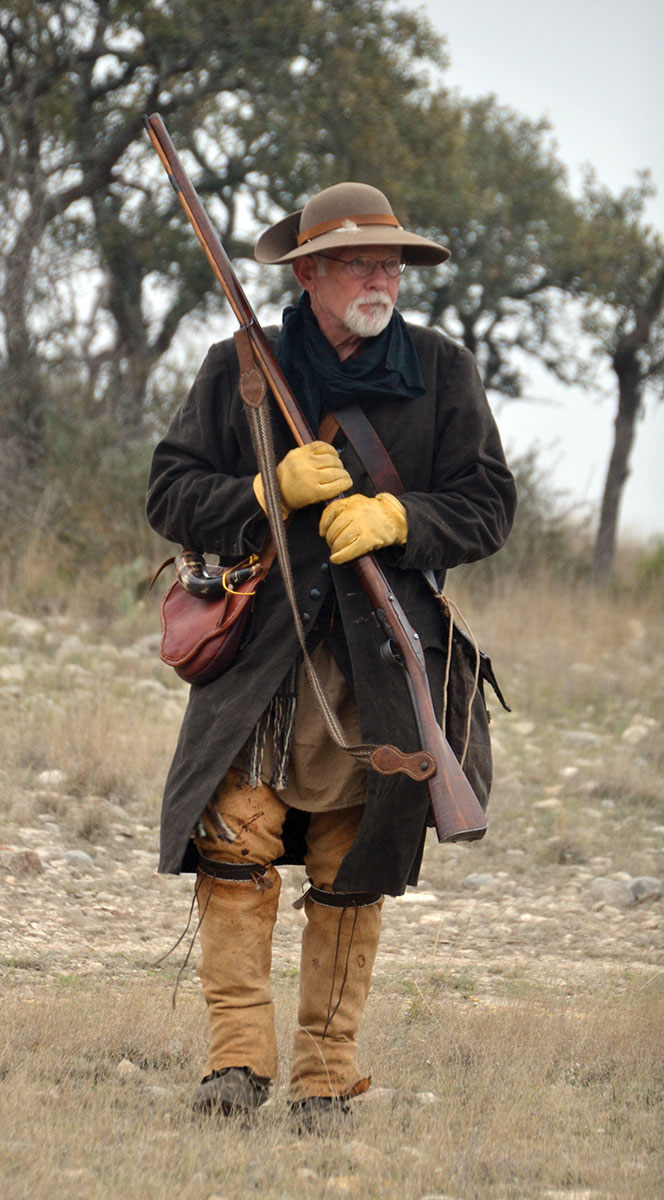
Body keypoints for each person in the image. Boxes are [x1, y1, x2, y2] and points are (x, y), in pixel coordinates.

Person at [146, 181, 517, 1131]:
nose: (381, 276)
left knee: (355, 866)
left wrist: (400, 517)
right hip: (261, 664)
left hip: (382, 668)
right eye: (360, 260)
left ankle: (324, 1074)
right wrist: (265, 489)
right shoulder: (238, 371)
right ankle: (235, 1064)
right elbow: (172, 494)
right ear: (307, 272)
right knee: (233, 847)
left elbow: (487, 506)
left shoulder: (442, 371)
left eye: (391, 262)